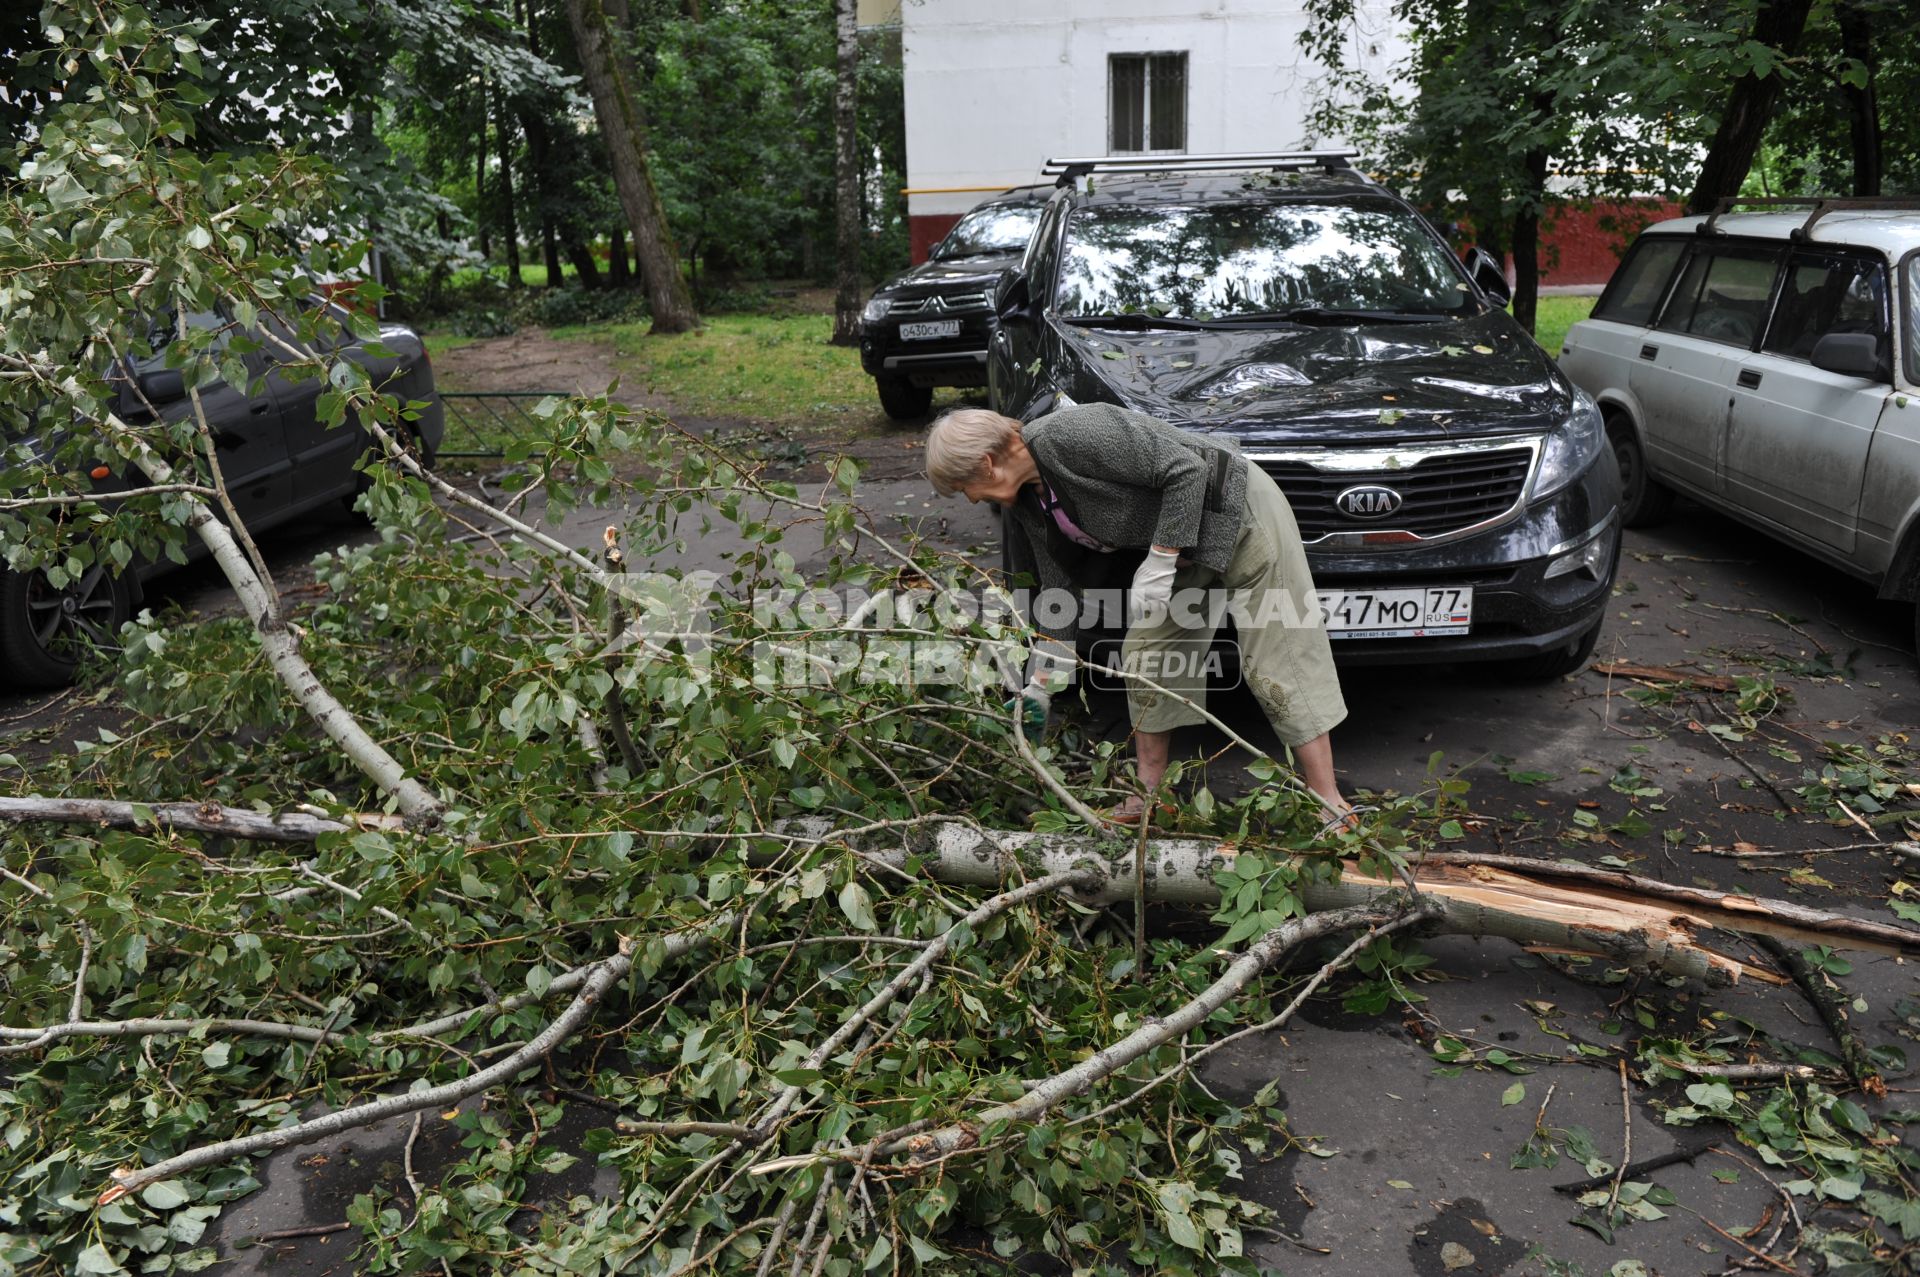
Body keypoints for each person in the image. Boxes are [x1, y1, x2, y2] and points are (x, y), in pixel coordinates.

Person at [924, 401, 1351, 826]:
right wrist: (1042, 681)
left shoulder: (1073, 433)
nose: (972, 498)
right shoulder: (1029, 502)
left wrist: (1162, 557)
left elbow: (1187, 469)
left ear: (987, 463)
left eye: (964, 487)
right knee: (1147, 654)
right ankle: (1150, 797)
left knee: (1277, 657)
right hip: (1184, 550)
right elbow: (1058, 587)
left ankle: (1329, 802)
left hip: (1238, 512)